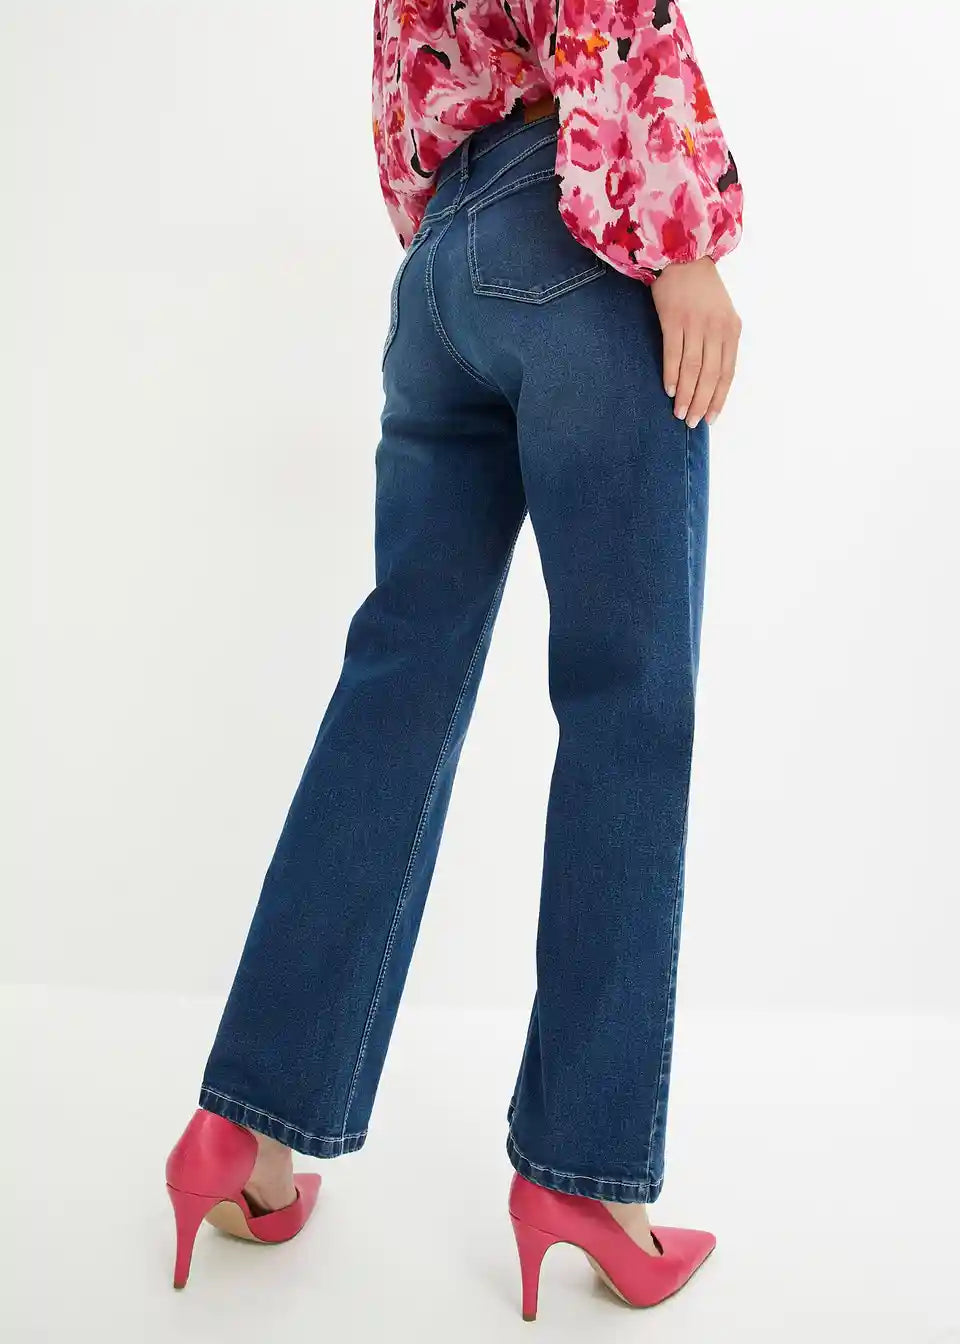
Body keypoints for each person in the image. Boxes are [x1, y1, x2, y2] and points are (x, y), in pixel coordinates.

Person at [164, 0, 743, 1318]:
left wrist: (459, 233)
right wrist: (677, 242)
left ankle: (245, 1128)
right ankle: (588, 1177)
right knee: (626, 701)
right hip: (576, 229)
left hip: (441, 271)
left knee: (397, 689)